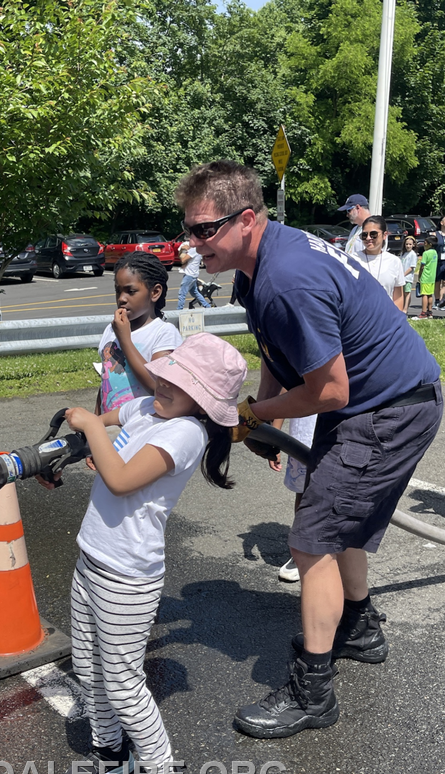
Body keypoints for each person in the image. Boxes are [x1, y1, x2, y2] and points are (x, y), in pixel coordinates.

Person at [176, 160, 442, 739]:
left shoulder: (287, 277)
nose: (192, 243)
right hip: (369, 403)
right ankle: (361, 628)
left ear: (246, 220)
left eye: (203, 230)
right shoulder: (257, 269)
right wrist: (261, 415)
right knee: (331, 518)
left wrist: (253, 414)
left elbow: (328, 390)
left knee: (312, 537)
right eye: (189, 229)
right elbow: (277, 353)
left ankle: (313, 693)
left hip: (390, 408)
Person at [47, 333, 246, 774]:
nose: (163, 384)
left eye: (178, 384)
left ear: (204, 401)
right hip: (91, 558)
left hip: (128, 577)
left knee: (123, 682)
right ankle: (111, 755)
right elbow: (108, 422)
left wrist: (96, 436)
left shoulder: (185, 433)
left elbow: (118, 480)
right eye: (166, 375)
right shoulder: (147, 409)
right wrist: (87, 437)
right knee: (89, 667)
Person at [97, 252, 182, 414]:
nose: (122, 298)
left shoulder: (164, 333)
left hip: (142, 429)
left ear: (155, 292)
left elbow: (157, 386)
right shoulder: (111, 329)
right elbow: (105, 383)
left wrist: (125, 340)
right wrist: (94, 423)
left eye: (131, 291)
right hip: (109, 430)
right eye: (118, 291)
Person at [269, 415, 318, 582]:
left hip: (341, 430)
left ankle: (337, 551)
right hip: (304, 434)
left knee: (338, 492)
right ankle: (302, 548)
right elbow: (283, 388)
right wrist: (273, 437)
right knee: (304, 492)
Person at [352, 215, 405, 309]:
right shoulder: (352, 260)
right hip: (360, 318)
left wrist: (397, 320)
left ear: (384, 235)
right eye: (364, 235)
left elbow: (398, 297)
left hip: (385, 319)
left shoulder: (394, 261)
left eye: (373, 234)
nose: (368, 238)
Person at [176, 240, 211, 310]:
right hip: (193, 274)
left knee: (182, 293)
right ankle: (207, 306)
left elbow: (183, 260)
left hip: (190, 275)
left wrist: (184, 249)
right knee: (195, 292)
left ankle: (179, 310)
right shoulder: (197, 249)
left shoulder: (194, 250)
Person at [414, 236, 438, 319]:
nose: (424, 245)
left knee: (424, 294)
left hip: (426, 276)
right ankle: (429, 311)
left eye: (425, 243)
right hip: (432, 277)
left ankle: (423, 312)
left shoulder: (426, 253)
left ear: (430, 244)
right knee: (430, 294)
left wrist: (420, 275)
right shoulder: (435, 252)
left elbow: (422, 266)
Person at [400, 236, 418, 315]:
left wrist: (404, 274)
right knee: (402, 293)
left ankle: (405, 308)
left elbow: (411, 267)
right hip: (401, 277)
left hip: (407, 277)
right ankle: (402, 306)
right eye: (407, 244)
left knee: (407, 293)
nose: (408, 246)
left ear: (413, 245)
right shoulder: (403, 254)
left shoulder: (413, 254)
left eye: (410, 244)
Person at [435, 216, 445, 308]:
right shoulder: (436, 234)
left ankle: (443, 300)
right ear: (441, 223)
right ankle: (437, 300)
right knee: (437, 281)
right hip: (438, 260)